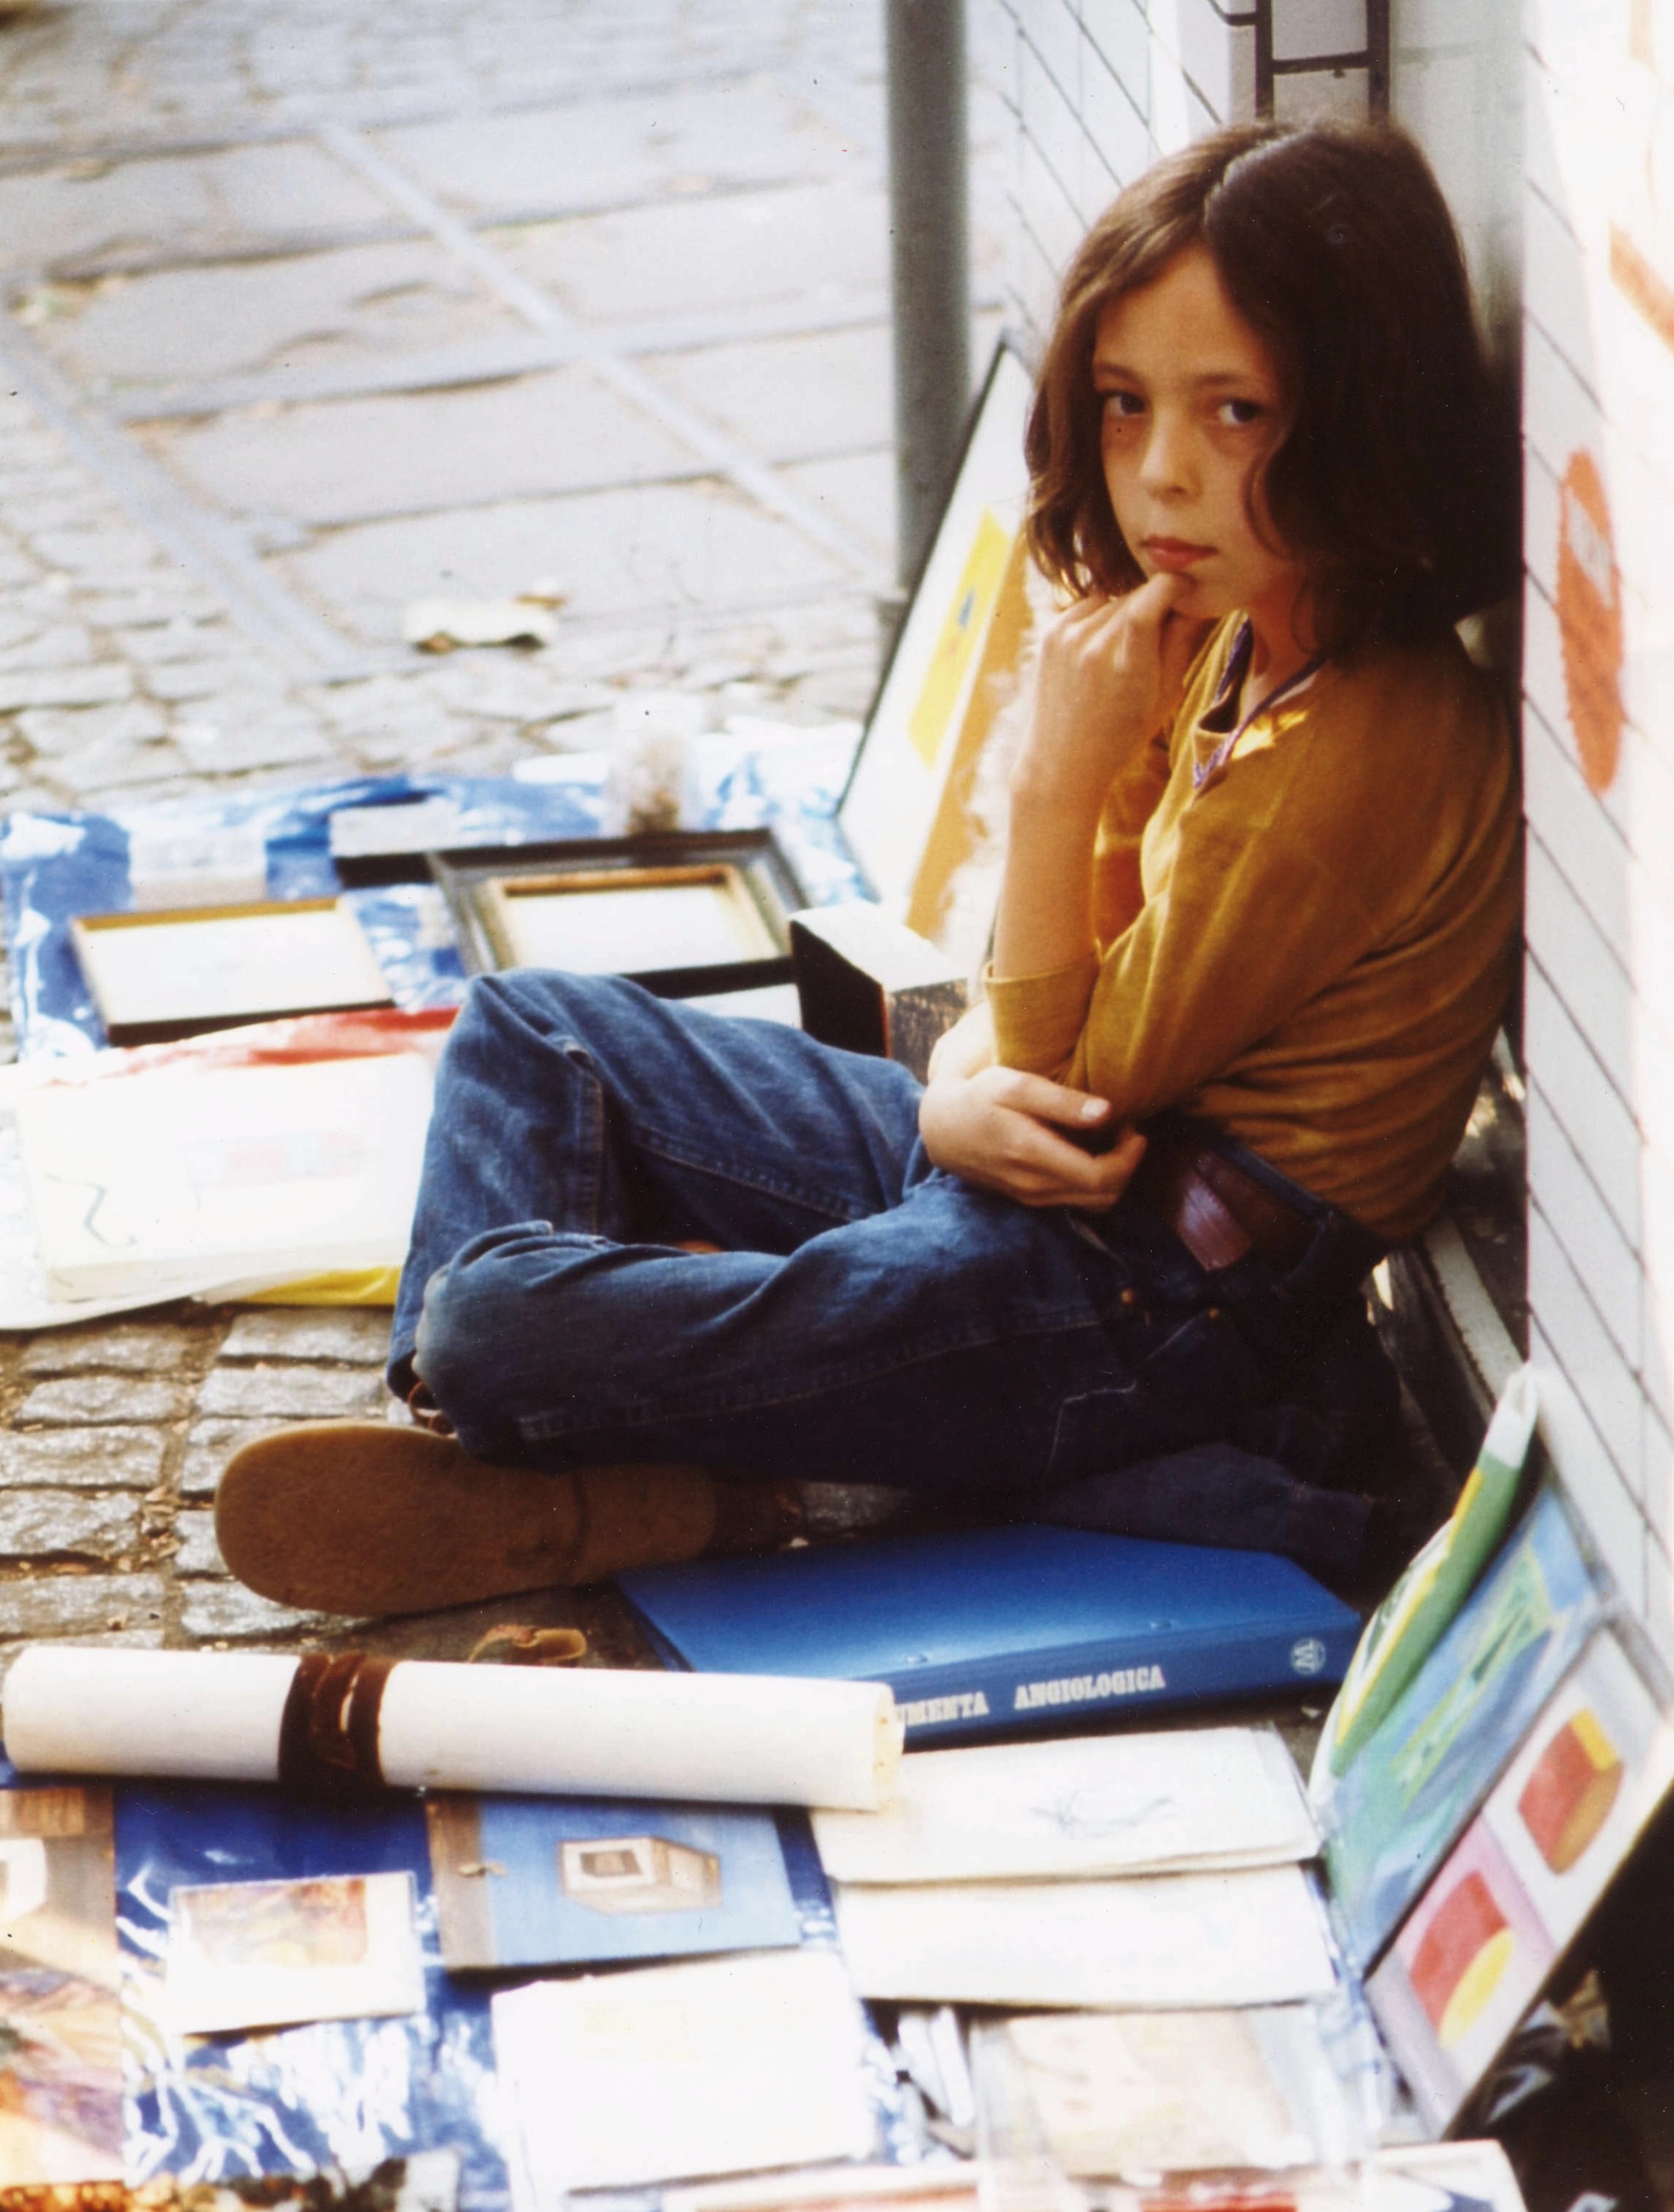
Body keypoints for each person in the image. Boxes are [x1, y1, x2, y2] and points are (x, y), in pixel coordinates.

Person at [214, 117, 1520, 1621]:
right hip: (1048, 1175)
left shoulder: (1372, 739)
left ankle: (653, 1459)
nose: (1161, 475)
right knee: (534, 1028)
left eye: (1237, 412)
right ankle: (521, 1461)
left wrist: (1055, 780)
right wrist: (956, 1095)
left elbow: (1071, 1062)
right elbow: (1052, 1008)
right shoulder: (1240, 638)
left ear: (1361, 411)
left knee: (493, 1326)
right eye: (1123, 404)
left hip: (1151, 1311)